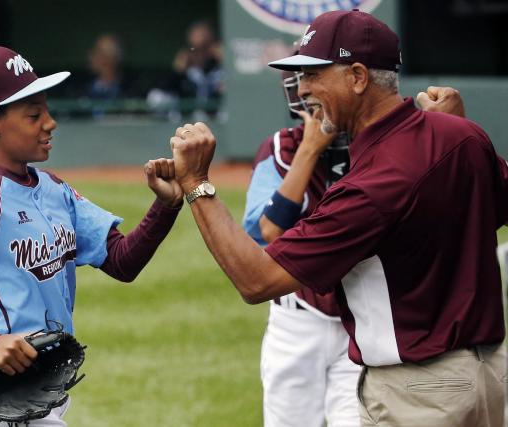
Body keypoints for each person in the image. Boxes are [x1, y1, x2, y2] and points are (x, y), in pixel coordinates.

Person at [169, 10, 506, 427]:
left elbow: (257, 280)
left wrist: (196, 183)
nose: (303, 89)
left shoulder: (370, 184)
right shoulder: (463, 136)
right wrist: (450, 128)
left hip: (421, 393)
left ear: (359, 76)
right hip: (490, 377)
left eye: (314, 74)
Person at [0, 46, 183, 427]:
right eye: (34, 114)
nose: (50, 123)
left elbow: (122, 262)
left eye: (48, 111)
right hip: (1, 400)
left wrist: (165, 206)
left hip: (43, 391)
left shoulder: (53, 189)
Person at [243, 65, 359, 427]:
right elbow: (270, 230)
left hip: (361, 318)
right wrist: (310, 150)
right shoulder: (282, 147)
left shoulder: (376, 145)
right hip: (296, 318)